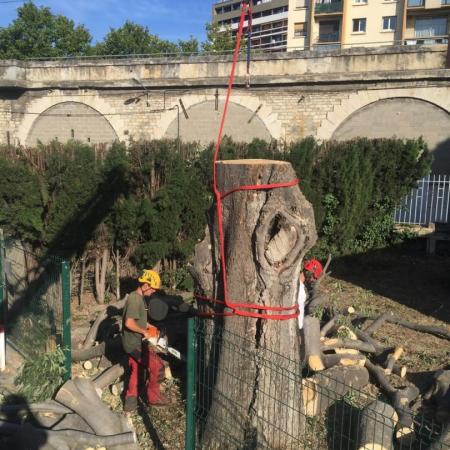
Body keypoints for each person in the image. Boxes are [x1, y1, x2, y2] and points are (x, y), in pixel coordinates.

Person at [122, 269, 170, 412]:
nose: (153, 292)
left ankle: (130, 402)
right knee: (158, 366)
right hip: (133, 343)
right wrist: (144, 332)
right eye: (153, 289)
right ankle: (154, 398)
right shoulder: (134, 299)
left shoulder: (139, 298)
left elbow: (139, 319)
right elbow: (129, 323)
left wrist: (149, 326)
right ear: (145, 285)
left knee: (136, 370)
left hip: (134, 341)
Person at [297, 259, 323, 330]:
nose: (314, 280)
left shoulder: (297, 285)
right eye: (314, 277)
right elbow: (299, 313)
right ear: (309, 273)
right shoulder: (299, 290)